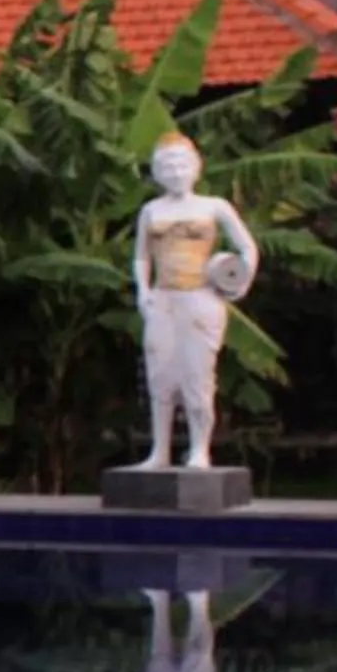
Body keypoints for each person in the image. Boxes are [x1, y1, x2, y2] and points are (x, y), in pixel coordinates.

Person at [131, 133, 259, 470]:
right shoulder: (150, 211)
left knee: (197, 376)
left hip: (201, 298)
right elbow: (142, 257)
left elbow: (247, 248)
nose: (175, 171)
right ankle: (160, 451)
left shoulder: (213, 207)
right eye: (167, 165)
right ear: (157, 172)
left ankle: (200, 450)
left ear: (196, 167)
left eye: (181, 163)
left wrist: (240, 281)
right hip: (162, 299)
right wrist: (143, 291)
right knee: (161, 376)